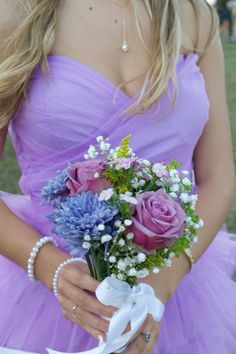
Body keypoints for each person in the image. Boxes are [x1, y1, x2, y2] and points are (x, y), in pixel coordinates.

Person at [0, 0, 236, 353]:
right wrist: (52, 268)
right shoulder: (18, 12)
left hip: (177, 290)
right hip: (40, 290)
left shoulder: (194, 15)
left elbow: (218, 175)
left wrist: (162, 283)